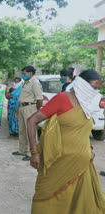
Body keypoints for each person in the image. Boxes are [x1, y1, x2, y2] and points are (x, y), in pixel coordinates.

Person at [27, 69, 105, 213]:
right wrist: (34, 152)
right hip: (57, 161)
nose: (96, 91)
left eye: (99, 88)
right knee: (45, 195)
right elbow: (32, 121)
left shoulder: (87, 104)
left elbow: (82, 130)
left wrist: (89, 147)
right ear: (82, 84)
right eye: (94, 87)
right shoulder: (62, 98)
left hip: (82, 164)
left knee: (79, 202)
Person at [12, 65, 42, 161]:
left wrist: (36, 110)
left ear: (30, 73)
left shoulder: (35, 83)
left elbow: (39, 99)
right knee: (22, 130)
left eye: (24, 73)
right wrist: (18, 109)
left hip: (30, 108)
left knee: (31, 132)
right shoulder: (25, 82)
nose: (23, 75)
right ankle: (22, 150)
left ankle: (32, 153)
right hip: (22, 107)